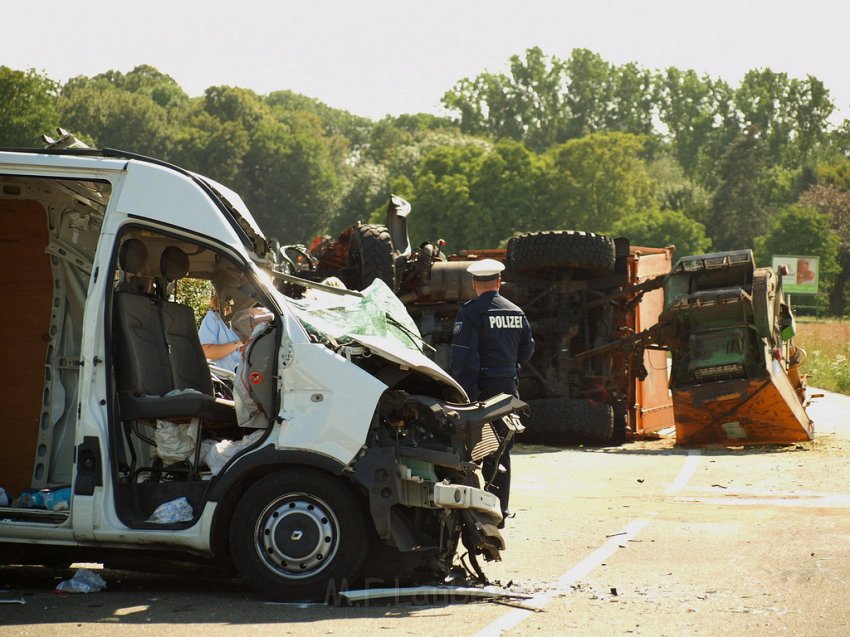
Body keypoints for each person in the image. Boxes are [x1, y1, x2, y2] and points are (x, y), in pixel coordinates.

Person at [450, 258, 534, 527]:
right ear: (499, 282)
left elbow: (465, 359)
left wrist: (465, 396)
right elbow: (527, 350)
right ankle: (501, 510)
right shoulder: (516, 312)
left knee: (473, 450)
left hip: (481, 391)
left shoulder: (472, 313)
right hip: (507, 389)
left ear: (474, 284)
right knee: (502, 450)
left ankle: (477, 511)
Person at [198, 293, 243, 372]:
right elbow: (206, 352)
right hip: (225, 380)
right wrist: (238, 343)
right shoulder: (213, 318)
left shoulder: (248, 319)